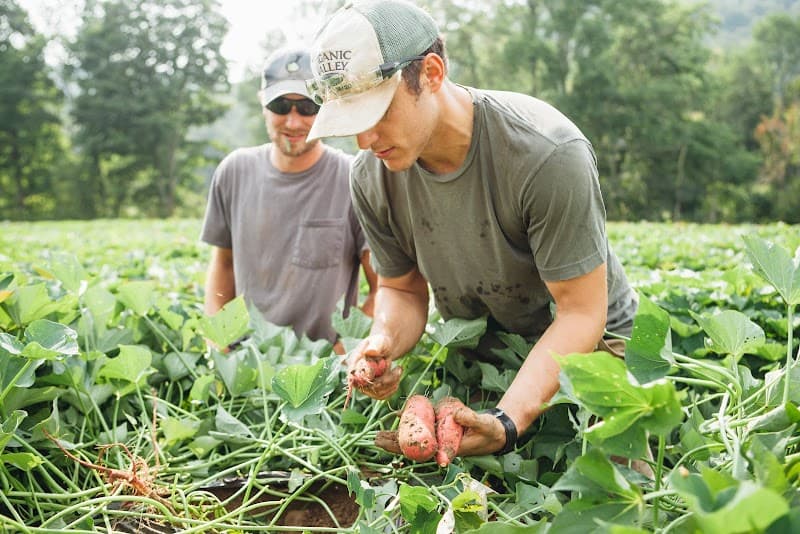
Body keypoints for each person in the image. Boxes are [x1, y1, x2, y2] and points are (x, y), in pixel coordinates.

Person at [305, 0, 640, 461]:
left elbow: (581, 314)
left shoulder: (546, 153)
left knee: (612, 487)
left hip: (597, 349)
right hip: (487, 357)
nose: (364, 141)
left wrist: (509, 421)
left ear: (431, 73)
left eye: (377, 114)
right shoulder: (370, 175)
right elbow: (402, 291)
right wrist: (384, 341)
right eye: (351, 123)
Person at [201, 46, 376, 353]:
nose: (293, 122)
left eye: (308, 107)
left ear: (327, 106)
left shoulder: (353, 179)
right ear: (262, 103)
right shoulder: (234, 171)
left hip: (324, 370)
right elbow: (223, 264)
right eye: (281, 106)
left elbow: (383, 287)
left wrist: (342, 354)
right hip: (247, 364)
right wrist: (219, 345)